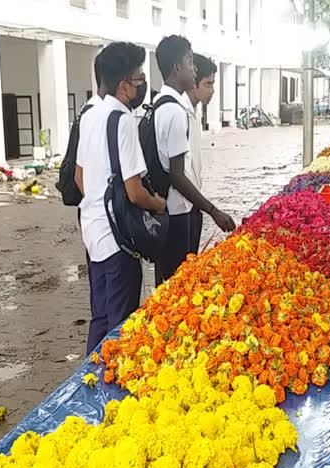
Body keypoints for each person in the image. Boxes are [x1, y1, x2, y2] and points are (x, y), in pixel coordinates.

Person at [75, 42, 165, 353]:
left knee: (100, 317)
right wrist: (159, 205)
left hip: (94, 232)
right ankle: (109, 391)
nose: (142, 87)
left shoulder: (89, 115)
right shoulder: (123, 120)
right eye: (139, 79)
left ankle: (87, 385)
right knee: (121, 324)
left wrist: (101, 203)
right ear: (124, 85)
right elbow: (135, 191)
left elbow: (79, 178)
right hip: (118, 241)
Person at [153, 36, 235, 286]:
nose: (193, 68)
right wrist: (213, 210)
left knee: (172, 282)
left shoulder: (161, 105)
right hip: (178, 210)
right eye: (190, 62)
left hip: (181, 207)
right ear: (177, 67)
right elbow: (176, 175)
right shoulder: (175, 112)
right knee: (177, 285)